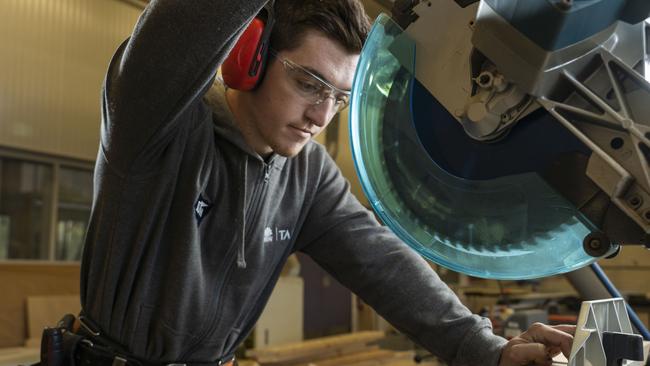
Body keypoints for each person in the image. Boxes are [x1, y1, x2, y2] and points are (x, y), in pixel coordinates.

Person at [77, 0, 575, 365]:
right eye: (308, 83)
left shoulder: (307, 174)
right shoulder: (158, 123)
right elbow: (177, 29)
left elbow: (385, 266)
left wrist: (485, 349)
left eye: (339, 97)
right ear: (248, 58)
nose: (321, 115)